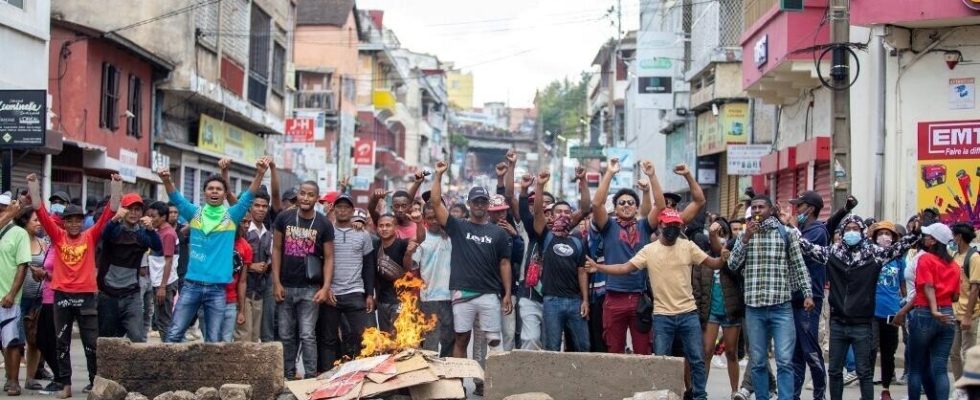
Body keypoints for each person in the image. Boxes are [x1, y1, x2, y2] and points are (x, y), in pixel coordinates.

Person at [587, 208, 730, 400]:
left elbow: (714, 264)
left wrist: (722, 256)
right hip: (662, 316)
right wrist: (598, 267)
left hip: (688, 314)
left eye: (675, 225)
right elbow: (624, 267)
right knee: (663, 361)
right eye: (668, 225)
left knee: (697, 359)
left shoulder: (687, 246)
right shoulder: (649, 250)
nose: (672, 228)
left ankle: (699, 396)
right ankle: (664, 396)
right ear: (660, 225)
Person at [791, 214, 919, 400]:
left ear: (862, 232)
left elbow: (899, 248)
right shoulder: (833, 252)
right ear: (842, 232)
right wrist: (790, 225)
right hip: (838, 322)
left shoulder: (874, 254)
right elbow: (806, 246)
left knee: (864, 372)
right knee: (835, 371)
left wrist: (915, 232)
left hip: (862, 323)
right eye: (848, 229)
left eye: (855, 229)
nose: (851, 232)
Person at [29, 173, 121, 398]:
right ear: (64, 221)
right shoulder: (58, 236)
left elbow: (110, 211)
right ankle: (65, 385)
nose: (73, 223)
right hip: (62, 296)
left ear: (82, 221)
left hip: (87, 296)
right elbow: (40, 210)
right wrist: (33, 185)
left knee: (91, 343)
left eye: (77, 220)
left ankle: (94, 383)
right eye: (69, 220)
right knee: (62, 342)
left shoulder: (90, 235)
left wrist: (117, 185)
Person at [159, 157, 268, 343]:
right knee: (174, 334)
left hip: (218, 290)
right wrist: (166, 180)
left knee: (214, 342)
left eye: (219, 189)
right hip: (192, 285)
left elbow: (248, 197)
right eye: (211, 188)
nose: (214, 191)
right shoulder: (195, 214)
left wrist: (260, 173)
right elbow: (176, 198)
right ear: (204, 193)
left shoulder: (231, 216)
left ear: (225, 194)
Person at [428, 161, 513, 385]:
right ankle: (458, 385)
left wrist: (507, 293)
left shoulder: (499, 233)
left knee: (494, 341)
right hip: (462, 293)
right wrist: (438, 175)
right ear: (469, 203)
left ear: (487, 205)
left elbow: (505, 263)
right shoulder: (458, 226)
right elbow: (435, 202)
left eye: (483, 201)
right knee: (461, 338)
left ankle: (492, 384)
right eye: (475, 201)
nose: (479, 205)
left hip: (489, 294)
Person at [727, 195, 814, 400]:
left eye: (761, 207)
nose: (757, 211)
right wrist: (745, 238)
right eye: (754, 207)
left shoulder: (787, 233)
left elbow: (798, 265)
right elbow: (732, 265)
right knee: (758, 362)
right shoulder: (744, 235)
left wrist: (807, 293)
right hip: (754, 308)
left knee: (784, 360)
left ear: (770, 209)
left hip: (781, 307)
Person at [590, 158, 663, 354]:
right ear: (615, 208)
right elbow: (597, 204)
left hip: (639, 298)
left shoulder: (644, 226)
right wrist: (610, 173)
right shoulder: (608, 226)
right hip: (613, 297)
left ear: (636, 208)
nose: (626, 205)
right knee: (614, 351)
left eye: (631, 203)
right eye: (621, 203)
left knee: (643, 352)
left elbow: (661, 207)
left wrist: (652, 176)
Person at [271, 180, 335, 379]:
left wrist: (325, 287)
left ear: (317, 198)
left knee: (308, 335)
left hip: (310, 289)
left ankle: (310, 378)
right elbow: (277, 249)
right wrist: (276, 282)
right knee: (285, 335)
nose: (305, 198)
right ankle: (288, 376)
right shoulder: (284, 217)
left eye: (310, 195)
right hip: (286, 286)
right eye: (302, 193)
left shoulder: (324, 223)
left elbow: (330, 257)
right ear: (297, 195)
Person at [527, 172, 591, 352]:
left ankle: (579, 380)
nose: (563, 215)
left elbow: (581, 271)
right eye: (558, 212)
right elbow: (538, 211)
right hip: (552, 301)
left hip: (574, 301)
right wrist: (539, 185)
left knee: (583, 346)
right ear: (552, 216)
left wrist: (585, 300)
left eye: (566, 212)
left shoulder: (578, 241)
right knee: (552, 347)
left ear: (571, 215)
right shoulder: (545, 237)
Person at [897, 222, 960, 400]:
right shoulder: (954, 266)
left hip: (925, 313)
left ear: (934, 241)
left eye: (928, 236)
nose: (924, 238)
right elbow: (955, 296)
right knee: (940, 367)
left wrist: (933, 308)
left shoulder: (926, 259)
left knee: (916, 367)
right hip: (947, 314)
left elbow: (927, 287)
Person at [317, 194, 375, 372]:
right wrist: (324, 288)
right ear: (334, 209)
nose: (342, 210)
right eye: (339, 207)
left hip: (355, 292)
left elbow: (369, 266)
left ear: (352, 211)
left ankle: (361, 374)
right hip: (331, 294)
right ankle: (326, 375)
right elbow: (319, 262)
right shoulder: (326, 232)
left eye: (346, 207)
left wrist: (369, 294)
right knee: (328, 338)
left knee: (362, 337)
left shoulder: (363, 235)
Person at [98, 193, 162, 343]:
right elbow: (104, 235)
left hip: (131, 294)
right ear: (123, 210)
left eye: (137, 210)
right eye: (130, 209)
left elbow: (158, 246)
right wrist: (114, 219)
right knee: (107, 340)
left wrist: (151, 230)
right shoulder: (115, 229)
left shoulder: (141, 233)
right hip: (108, 294)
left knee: (137, 338)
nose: (133, 213)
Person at [786, 191, 830, 400]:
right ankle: (793, 395)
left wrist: (791, 227)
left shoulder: (818, 231)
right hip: (792, 296)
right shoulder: (800, 229)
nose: (797, 210)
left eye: (800, 206)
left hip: (810, 297)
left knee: (809, 349)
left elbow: (803, 248)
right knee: (795, 351)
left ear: (810, 209)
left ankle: (819, 395)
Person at [700, 218, 745, 397]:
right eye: (715, 235)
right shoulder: (703, 256)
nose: (719, 239)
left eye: (722, 234)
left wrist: (726, 255)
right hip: (711, 310)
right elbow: (698, 285)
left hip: (731, 310)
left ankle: (735, 391)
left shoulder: (734, 256)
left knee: (731, 352)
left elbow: (737, 274)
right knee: (707, 351)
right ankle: (700, 391)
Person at [866, 220, 906, 400]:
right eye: (880, 234)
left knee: (888, 352)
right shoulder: (868, 256)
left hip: (892, 311)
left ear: (893, 238)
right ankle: (866, 387)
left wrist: (904, 307)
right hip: (871, 310)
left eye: (888, 234)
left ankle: (886, 388)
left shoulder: (898, 260)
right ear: (874, 237)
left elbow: (903, 285)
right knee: (871, 348)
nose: (884, 237)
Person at [0, 203, 32, 396]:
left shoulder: (19, 233)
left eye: (3, 208)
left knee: (12, 341)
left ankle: (13, 381)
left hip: (8, 297)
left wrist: (12, 293)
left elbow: (22, 266)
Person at [415, 203, 454, 356]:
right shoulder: (421, 237)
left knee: (449, 340)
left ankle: (446, 376)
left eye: (437, 217)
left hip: (450, 297)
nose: (434, 221)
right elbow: (413, 264)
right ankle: (432, 376)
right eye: (430, 218)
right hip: (429, 297)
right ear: (425, 219)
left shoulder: (452, 236)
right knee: (430, 340)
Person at [238, 193, 273, 342]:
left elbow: (272, 256)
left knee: (254, 337)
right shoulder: (243, 230)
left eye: (264, 206)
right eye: (257, 205)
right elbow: (233, 257)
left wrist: (268, 265)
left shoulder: (268, 234)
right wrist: (251, 266)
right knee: (243, 335)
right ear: (250, 207)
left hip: (260, 291)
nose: (261, 209)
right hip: (243, 291)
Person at [374, 213, 418, 332]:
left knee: (399, 338)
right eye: (381, 226)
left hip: (400, 301)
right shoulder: (375, 244)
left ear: (396, 228)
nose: (384, 228)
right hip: (382, 301)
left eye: (388, 225)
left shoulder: (403, 244)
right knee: (386, 339)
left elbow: (420, 238)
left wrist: (419, 223)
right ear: (377, 228)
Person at [950, 222, 980, 390]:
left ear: (959, 237)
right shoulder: (954, 256)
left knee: (968, 354)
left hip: (969, 313)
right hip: (954, 311)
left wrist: (968, 315)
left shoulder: (974, 258)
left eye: (953, 236)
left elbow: (975, 288)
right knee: (954, 353)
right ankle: (960, 387)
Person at [145, 201, 179, 338]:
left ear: (163, 217)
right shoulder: (158, 232)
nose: (151, 219)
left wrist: (163, 287)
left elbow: (168, 260)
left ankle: (170, 352)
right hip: (158, 281)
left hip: (165, 283)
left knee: (165, 322)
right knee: (161, 320)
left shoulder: (168, 234)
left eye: (154, 216)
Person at [368, 171, 425, 241]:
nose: (400, 210)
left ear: (410, 208)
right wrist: (374, 198)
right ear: (392, 208)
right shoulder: (385, 223)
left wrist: (417, 183)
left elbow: (420, 240)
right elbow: (371, 210)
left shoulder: (417, 226)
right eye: (397, 206)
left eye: (404, 206)